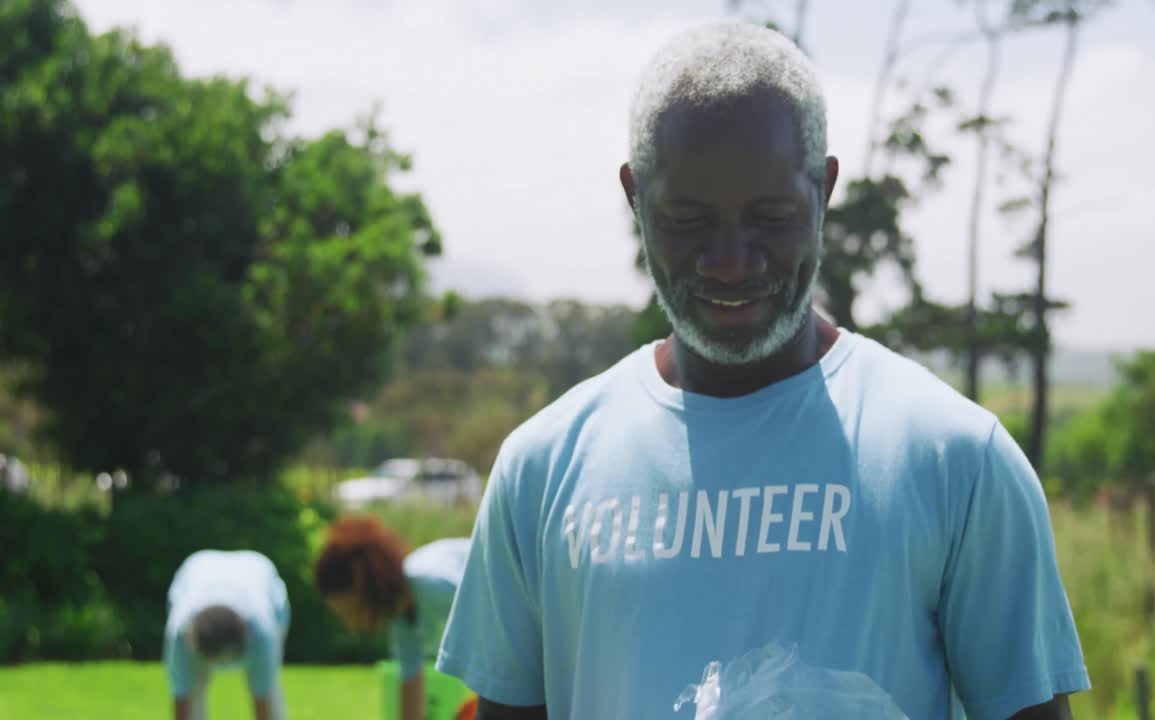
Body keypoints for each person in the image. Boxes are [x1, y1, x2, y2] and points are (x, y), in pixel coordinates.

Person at [435, 21, 1090, 720]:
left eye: (771, 215)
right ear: (635, 196)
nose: (730, 260)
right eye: (688, 219)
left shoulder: (956, 461)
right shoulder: (542, 469)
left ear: (824, 189)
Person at [314, 515, 472, 720]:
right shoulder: (403, 621)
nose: (347, 622)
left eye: (348, 611)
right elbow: (411, 684)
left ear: (367, 588)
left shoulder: (434, 584)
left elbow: (501, 636)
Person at [163, 549, 291, 720]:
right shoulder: (180, 631)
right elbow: (182, 695)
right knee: (194, 691)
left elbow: (262, 696)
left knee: (270, 685)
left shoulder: (263, 632)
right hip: (196, 568)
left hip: (261, 577)